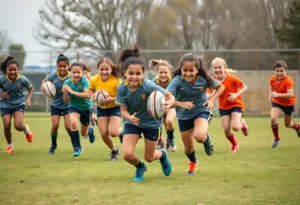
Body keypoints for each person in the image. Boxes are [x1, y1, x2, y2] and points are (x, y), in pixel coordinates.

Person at [116, 45, 174, 182]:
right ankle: (140, 167)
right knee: (127, 154)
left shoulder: (148, 85)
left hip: (152, 123)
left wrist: (170, 102)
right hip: (132, 122)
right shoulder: (122, 87)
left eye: (138, 74)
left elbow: (169, 95)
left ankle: (163, 155)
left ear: (143, 73)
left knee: (150, 157)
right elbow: (122, 110)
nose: (134, 77)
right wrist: (129, 117)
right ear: (125, 73)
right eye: (131, 73)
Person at [166, 53, 224, 176]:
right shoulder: (177, 80)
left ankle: (206, 139)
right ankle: (193, 162)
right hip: (183, 115)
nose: (188, 73)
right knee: (188, 148)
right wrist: (181, 104)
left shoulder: (204, 78)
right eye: (185, 70)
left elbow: (220, 87)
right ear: (181, 69)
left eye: (191, 70)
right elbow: (167, 97)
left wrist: (211, 100)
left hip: (201, 109)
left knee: (199, 136)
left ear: (197, 70)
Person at [210, 57, 249, 153]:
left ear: (224, 68)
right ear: (212, 69)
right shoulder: (213, 80)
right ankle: (235, 144)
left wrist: (235, 95)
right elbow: (211, 92)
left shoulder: (231, 78)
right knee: (226, 130)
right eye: (215, 68)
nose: (218, 70)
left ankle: (243, 125)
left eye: (220, 67)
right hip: (223, 106)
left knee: (235, 127)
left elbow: (244, 87)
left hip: (235, 104)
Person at [89, 58, 123, 161]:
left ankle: (121, 132)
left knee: (113, 132)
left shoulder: (117, 81)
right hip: (101, 109)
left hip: (115, 107)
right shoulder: (94, 79)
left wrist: (111, 99)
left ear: (111, 69)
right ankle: (114, 150)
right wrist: (93, 96)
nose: (104, 72)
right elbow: (91, 90)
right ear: (98, 69)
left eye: (106, 69)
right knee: (104, 133)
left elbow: (122, 96)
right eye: (101, 69)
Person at [0, 56, 34, 153]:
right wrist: (1, 95)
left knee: (18, 126)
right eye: (10, 70)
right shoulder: (2, 79)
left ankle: (26, 129)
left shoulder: (22, 79)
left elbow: (31, 88)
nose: (12, 72)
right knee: (6, 124)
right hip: (5, 104)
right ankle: (10, 145)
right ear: (6, 70)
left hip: (18, 104)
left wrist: (28, 99)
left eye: (15, 69)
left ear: (18, 69)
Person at [41, 54, 73, 154]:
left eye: (64, 66)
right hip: (55, 105)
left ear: (68, 66)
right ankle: (53, 145)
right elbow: (44, 82)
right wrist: (43, 87)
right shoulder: (52, 76)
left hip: (68, 105)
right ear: (57, 66)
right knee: (55, 126)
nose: (62, 68)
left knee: (68, 127)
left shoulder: (71, 76)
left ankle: (75, 144)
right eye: (60, 66)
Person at [62, 62, 95, 157]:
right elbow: (66, 101)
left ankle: (90, 132)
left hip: (86, 108)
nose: (76, 74)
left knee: (83, 133)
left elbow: (87, 95)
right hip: (74, 106)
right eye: (74, 72)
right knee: (73, 122)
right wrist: (65, 93)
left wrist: (71, 91)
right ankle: (77, 147)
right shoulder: (67, 83)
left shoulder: (85, 81)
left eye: (78, 72)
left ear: (83, 72)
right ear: (70, 72)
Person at [269, 60, 300, 148]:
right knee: (273, 118)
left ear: (285, 71)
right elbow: (271, 86)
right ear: (274, 71)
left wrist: (277, 94)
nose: (279, 73)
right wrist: (270, 95)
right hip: (277, 102)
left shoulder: (288, 81)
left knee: (288, 124)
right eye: (277, 71)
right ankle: (277, 139)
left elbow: (290, 94)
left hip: (289, 103)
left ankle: (297, 127)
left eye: (281, 71)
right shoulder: (272, 78)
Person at [149, 59, 177, 152]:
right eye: (161, 72)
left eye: (166, 72)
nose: (163, 74)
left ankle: (171, 138)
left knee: (168, 121)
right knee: (158, 123)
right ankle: (160, 140)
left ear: (169, 72)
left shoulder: (173, 82)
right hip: (158, 107)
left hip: (171, 105)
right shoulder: (152, 83)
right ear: (157, 72)